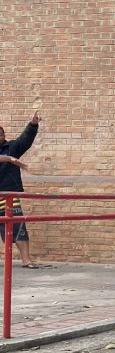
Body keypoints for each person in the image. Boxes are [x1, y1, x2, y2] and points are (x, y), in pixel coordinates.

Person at [0, 112, 42, 268]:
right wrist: (10, 159)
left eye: (0, 135)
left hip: (9, 196)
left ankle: (26, 260)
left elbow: (25, 140)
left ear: (4, 135)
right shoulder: (8, 155)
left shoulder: (11, 147)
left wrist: (33, 124)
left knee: (18, 227)